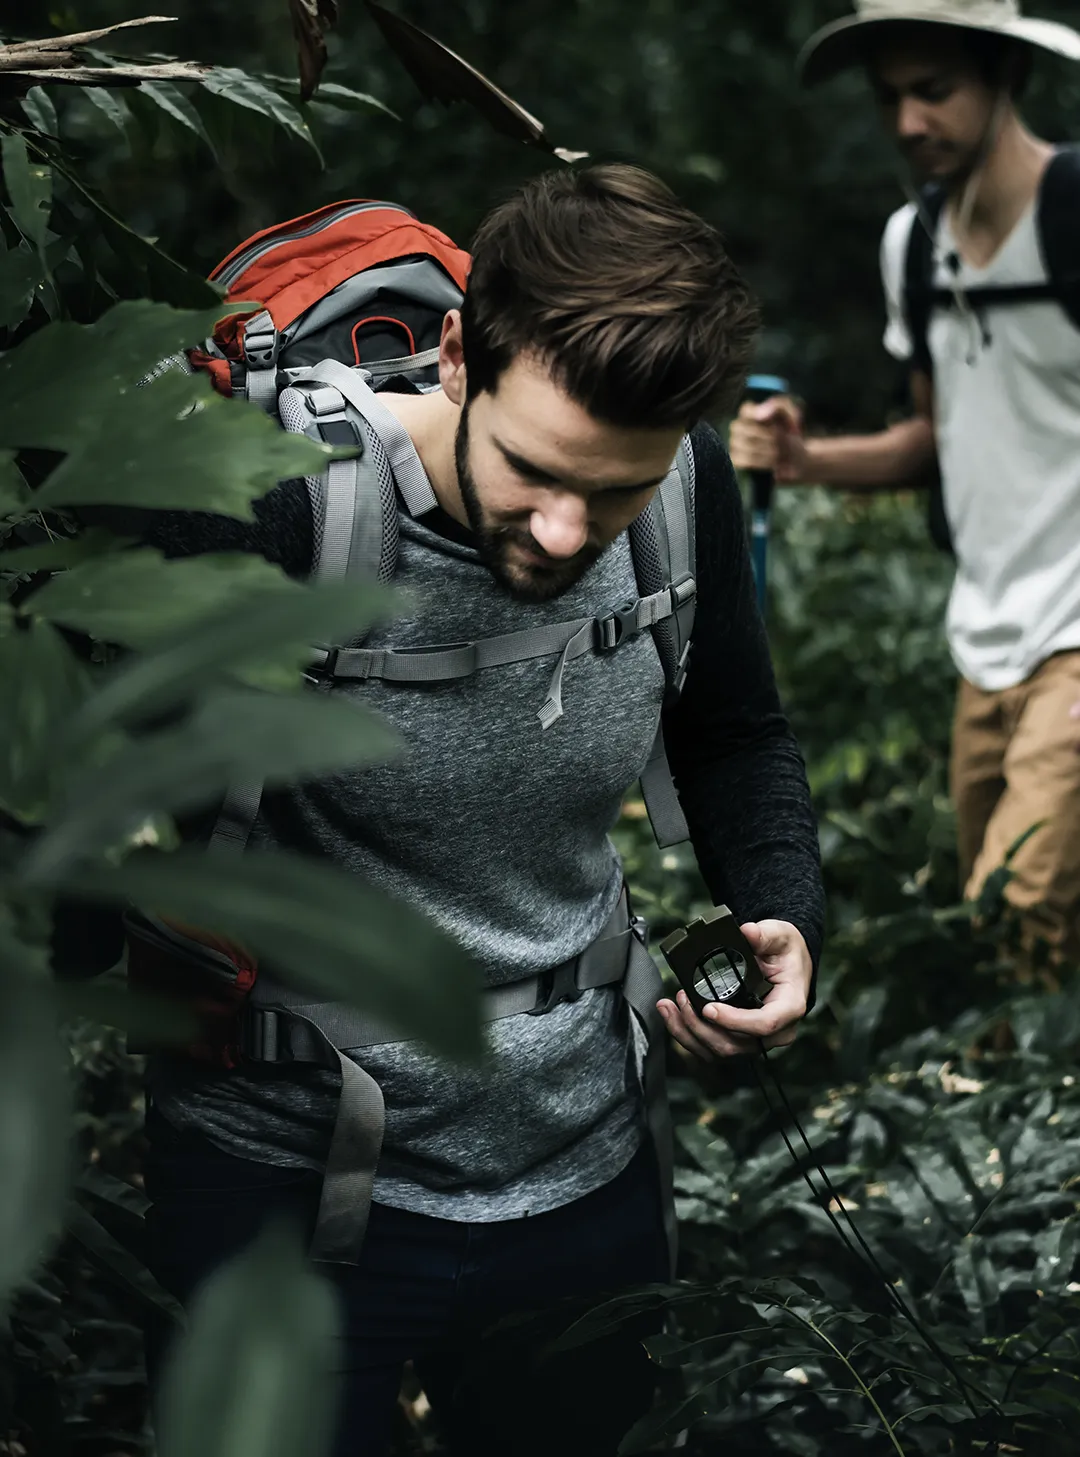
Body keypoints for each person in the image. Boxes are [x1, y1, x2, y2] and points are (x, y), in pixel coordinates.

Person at [132, 165, 824, 1456]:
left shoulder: (686, 495)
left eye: (612, 494)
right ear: (457, 355)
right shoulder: (276, 502)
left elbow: (734, 730)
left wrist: (781, 907)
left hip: (582, 1169)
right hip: (281, 1176)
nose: (566, 535)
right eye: (535, 471)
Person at [730, 0, 1080, 970]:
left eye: (935, 91)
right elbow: (935, 437)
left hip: (1078, 630)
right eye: (890, 98)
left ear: (1005, 78)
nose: (908, 122)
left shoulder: (1073, 208)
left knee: (1017, 905)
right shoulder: (913, 245)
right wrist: (802, 462)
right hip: (989, 629)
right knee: (998, 931)